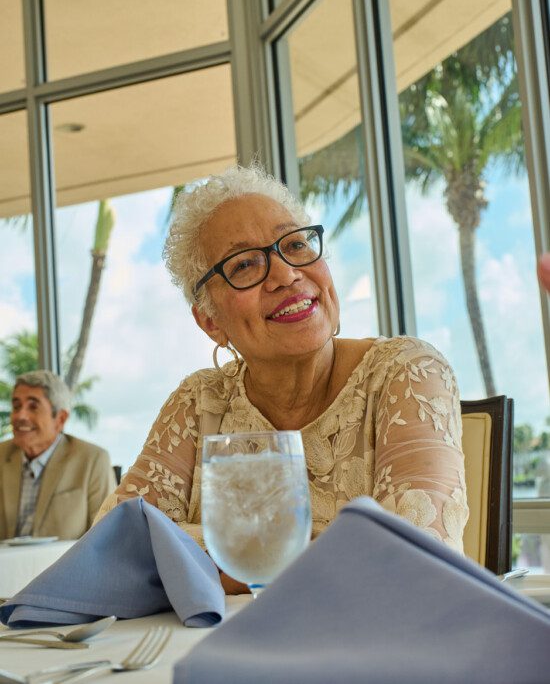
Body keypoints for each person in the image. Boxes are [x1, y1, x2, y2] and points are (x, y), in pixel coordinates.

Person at [95, 164, 469, 592]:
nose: (286, 274)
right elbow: (111, 543)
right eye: (245, 265)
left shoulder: (406, 372)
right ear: (211, 322)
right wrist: (319, 552)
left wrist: (214, 555)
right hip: (220, 651)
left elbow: (416, 558)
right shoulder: (200, 402)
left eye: (294, 244)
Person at [0, 370, 116, 540]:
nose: (20, 415)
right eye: (16, 406)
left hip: (66, 566)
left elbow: (108, 538)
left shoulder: (93, 460)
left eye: (33, 407)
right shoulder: (3, 454)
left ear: (60, 419)